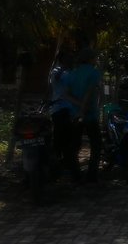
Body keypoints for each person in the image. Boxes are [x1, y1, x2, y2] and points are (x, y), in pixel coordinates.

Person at [66, 47, 102, 184]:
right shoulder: (94, 73)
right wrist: (84, 107)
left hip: (74, 114)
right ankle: (92, 175)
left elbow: (66, 94)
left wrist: (78, 105)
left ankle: (75, 175)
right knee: (96, 144)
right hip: (89, 114)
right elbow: (90, 92)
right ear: (91, 59)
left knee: (74, 145)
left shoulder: (73, 73)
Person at [49, 50, 81, 182]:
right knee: (62, 141)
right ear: (63, 60)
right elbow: (55, 80)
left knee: (71, 142)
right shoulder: (57, 71)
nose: (71, 61)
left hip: (71, 111)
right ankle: (61, 172)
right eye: (69, 58)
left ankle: (66, 169)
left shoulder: (71, 73)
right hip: (60, 110)